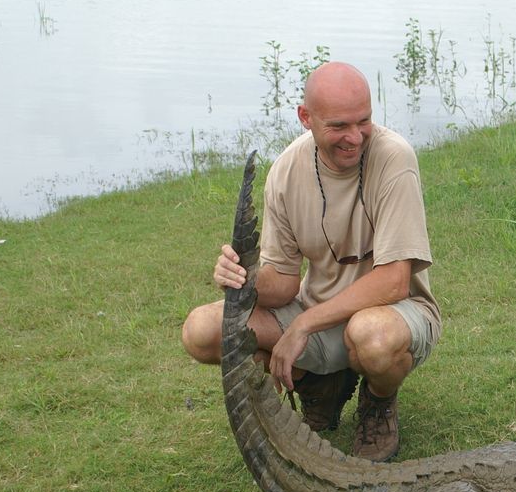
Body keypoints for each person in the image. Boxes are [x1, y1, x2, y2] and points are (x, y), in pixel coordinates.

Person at [181, 62, 440, 461]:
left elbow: (393, 282)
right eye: (339, 126)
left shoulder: (394, 158)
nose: (355, 137)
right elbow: (283, 282)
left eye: (364, 121)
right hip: (318, 313)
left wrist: (302, 325)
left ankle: (378, 401)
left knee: (371, 336)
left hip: (392, 313)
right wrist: (243, 280)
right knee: (202, 330)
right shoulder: (286, 170)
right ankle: (318, 384)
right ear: (306, 117)